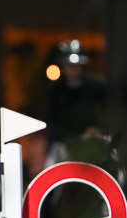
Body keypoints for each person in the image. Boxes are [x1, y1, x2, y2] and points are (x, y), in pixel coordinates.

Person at [45, 39, 108, 167]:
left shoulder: (97, 86)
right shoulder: (56, 89)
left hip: (93, 140)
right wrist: (70, 140)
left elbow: (108, 112)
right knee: (50, 167)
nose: (73, 69)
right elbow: (52, 119)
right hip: (64, 143)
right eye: (69, 65)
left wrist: (97, 130)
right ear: (63, 66)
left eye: (77, 65)